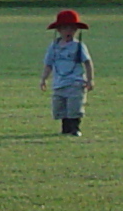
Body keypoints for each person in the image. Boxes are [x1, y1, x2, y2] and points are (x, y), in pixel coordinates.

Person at [40, 8, 93, 136]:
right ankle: (65, 128)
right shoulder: (54, 46)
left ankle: (75, 128)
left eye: (72, 28)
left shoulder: (78, 46)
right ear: (58, 30)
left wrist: (90, 80)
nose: (69, 31)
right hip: (59, 82)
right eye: (65, 28)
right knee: (60, 107)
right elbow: (48, 64)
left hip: (76, 82)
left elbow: (87, 62)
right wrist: (44, 78)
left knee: (74, 106)